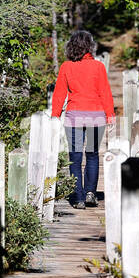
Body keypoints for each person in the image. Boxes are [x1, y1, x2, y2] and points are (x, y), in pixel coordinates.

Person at [50, 30, 115, 209]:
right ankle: (90, 193)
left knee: (75, 157)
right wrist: (110, 115)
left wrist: (55, 116)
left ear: (71, 46)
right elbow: (105, 92)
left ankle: (78, 198)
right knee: (93, 155)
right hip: (96, 117)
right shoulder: (98, 67)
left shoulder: (66, 67)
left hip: (75, 117)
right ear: (90, 47)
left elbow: (59, 94)